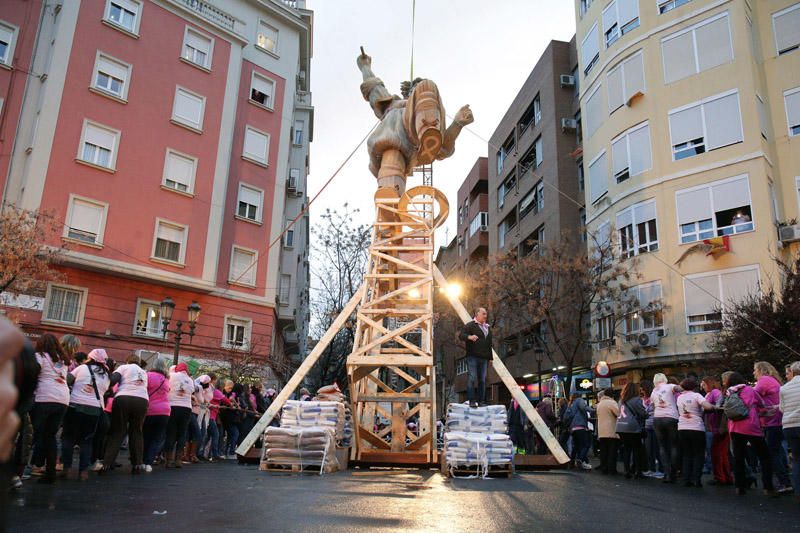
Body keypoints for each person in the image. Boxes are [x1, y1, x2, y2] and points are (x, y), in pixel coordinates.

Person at [59, 349, 110, 480]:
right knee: (87, 441)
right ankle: (83, 472)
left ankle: (67, 468)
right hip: (94, 410)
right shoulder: (106, 374)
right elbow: (105, 391)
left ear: (90, 357)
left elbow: (67, 381)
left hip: (75, 407)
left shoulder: (81, 368)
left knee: (68, 437)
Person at [724, 371, 777, 496]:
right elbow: (761, 406)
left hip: (734, 428)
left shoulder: (729, 392)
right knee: (765, 457)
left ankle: (739, 486)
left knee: (739, 458)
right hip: (751, 428)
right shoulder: (750, 390)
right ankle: (768, 487)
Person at [30, 334, 70, 483]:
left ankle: (23, 469)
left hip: (44, 397)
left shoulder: (39, 356)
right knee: (50, 436)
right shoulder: (63, 360)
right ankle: (50, 473)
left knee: (33, 433)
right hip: (63, 399)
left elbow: (33, 374)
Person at [102, 354, 149, 474]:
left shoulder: (123, 368)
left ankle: (107, 463)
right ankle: (137, 464)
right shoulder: (144, 372)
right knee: (137, 431)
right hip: (142, 400)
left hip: (123, 398)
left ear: (127, 361)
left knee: (117, 431)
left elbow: (113, 380)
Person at [753, 361, 792, 493]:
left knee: (772, 453)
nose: (754, 373)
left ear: (761, 370)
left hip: (771, 421)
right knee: (779, 451)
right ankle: (787, 480)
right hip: (779, 420)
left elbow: (753, 396)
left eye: (755, 370)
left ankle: (784, 482)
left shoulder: (764, 380)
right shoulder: (774, 381)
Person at [676, 378, 715, 487]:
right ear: (694, 387)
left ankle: (686, 479)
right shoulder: (696, 395)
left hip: (682, 427)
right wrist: (713, 407)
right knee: (698, 454)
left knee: (687, 454)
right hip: (696, 427)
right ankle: (696, 479)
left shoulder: (679, 398)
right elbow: (707, 406)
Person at [701, 375, 733, 485]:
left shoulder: (715, 392)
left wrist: (710, 408)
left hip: (718, 427)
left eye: (704, 384)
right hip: (715, 426)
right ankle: (725, 476)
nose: (703, 387)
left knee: (717, 452)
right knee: (720, 453)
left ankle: (720, 477)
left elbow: (719, 407)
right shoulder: (711, 393)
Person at [458, 307, 492, 408]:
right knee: (472, 378)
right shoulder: (470, 325)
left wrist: (490, 358)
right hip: (473, 356)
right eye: (483, 314)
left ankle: (481, 401)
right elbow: (461, 335)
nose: (485, 316)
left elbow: (489, 344)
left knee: (482, 379)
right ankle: (472, 400)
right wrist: (469, 337)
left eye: (486, 314)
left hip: (484, 358)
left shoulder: (487, 328)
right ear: (477, 314)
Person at [164, 362, 195, 468]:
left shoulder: (172, 376)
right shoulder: (190, 380)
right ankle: (178, 460)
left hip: (173, 406)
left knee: (171, 433)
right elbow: (192, 392)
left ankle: (168, 460)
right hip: (186, 408)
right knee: (182, 433)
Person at [650, 373, 680, 483]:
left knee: (662, 446)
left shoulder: (653, 391)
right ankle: (674, 473)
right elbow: (679, 388)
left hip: (658, 418)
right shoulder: (670, 386)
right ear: (665, 379)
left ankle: (666, 473)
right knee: (674, 446)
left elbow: (652, 406)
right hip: (671, 417)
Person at [142, 357, 170, 472]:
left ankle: (142, 461)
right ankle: (148, 462)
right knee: (156, 438)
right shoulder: (166, 379)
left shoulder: (148, 375)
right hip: (164, 411)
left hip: (150, 409)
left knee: (145, 436)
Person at [615, 383, 646, 479]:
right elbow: (642, 413)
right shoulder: (636, 400)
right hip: (632, 427)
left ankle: (626, 470)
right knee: (637, 449)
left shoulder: (621, 401)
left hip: (620, 427)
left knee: (627, 449)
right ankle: (638, 471)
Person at [779, 361, 800, 501]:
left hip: (789, 425)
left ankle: (798, 490)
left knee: (797, 459)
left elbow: (782, 408)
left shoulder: (784, 388)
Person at [565, 393, 594, 470]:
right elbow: (584, 407)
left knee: (576, 446)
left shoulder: (570, 404)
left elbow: (567, 416)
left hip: (573, 428)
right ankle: (580, 460)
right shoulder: (579, 400)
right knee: (585, 445)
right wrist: (593, 410)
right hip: (580, 426)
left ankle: (571, 463)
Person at [596, 389, 619, 475]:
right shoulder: (611, 403)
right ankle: (611, 469)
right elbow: (618, 413)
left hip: (602, 431)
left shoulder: (600, 404)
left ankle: (604, 467)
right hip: (611, 430)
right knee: (612, 451)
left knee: (604, 451)